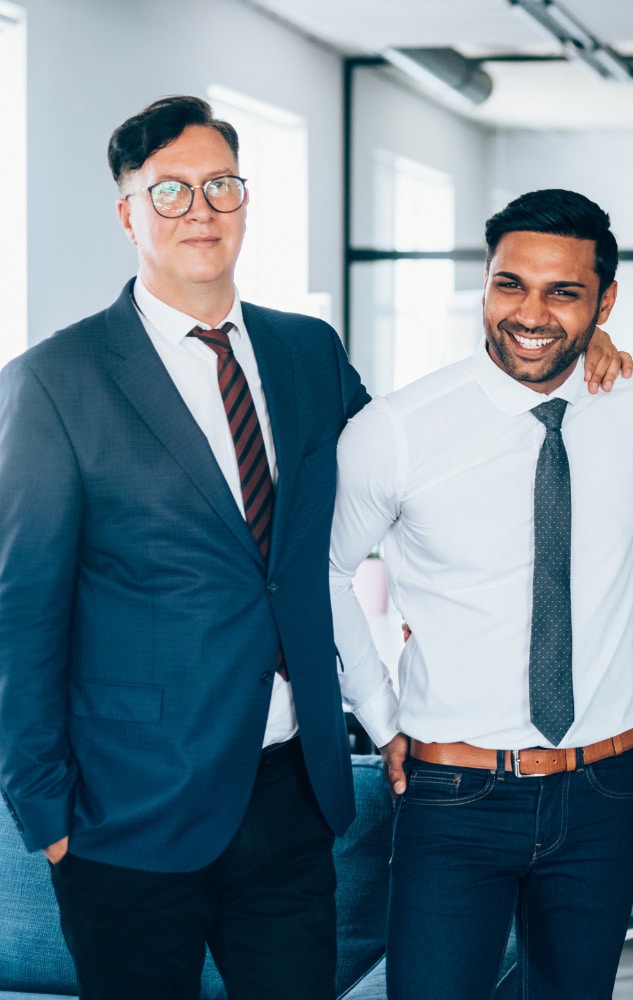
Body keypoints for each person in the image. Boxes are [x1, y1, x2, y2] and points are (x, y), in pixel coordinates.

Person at [0, 95, 369, 998]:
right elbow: (20, 614)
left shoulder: (307, 352)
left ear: (245, 199)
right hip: (127, 810)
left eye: (219, 184)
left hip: (291, 795)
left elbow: (412, 467)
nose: (199, 208)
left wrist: (567, 363)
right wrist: (47, 815)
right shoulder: (55, 381)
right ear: (127, 212)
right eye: (169, 191)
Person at [329, 188, 633, 1000]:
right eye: (510, 284)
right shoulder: (400, 428)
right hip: (455, 795)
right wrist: (381, 720)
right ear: (485, 284)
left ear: (605, 301)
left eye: (565, 292)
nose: (531, 313)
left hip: (604, 789)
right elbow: (326, 573)